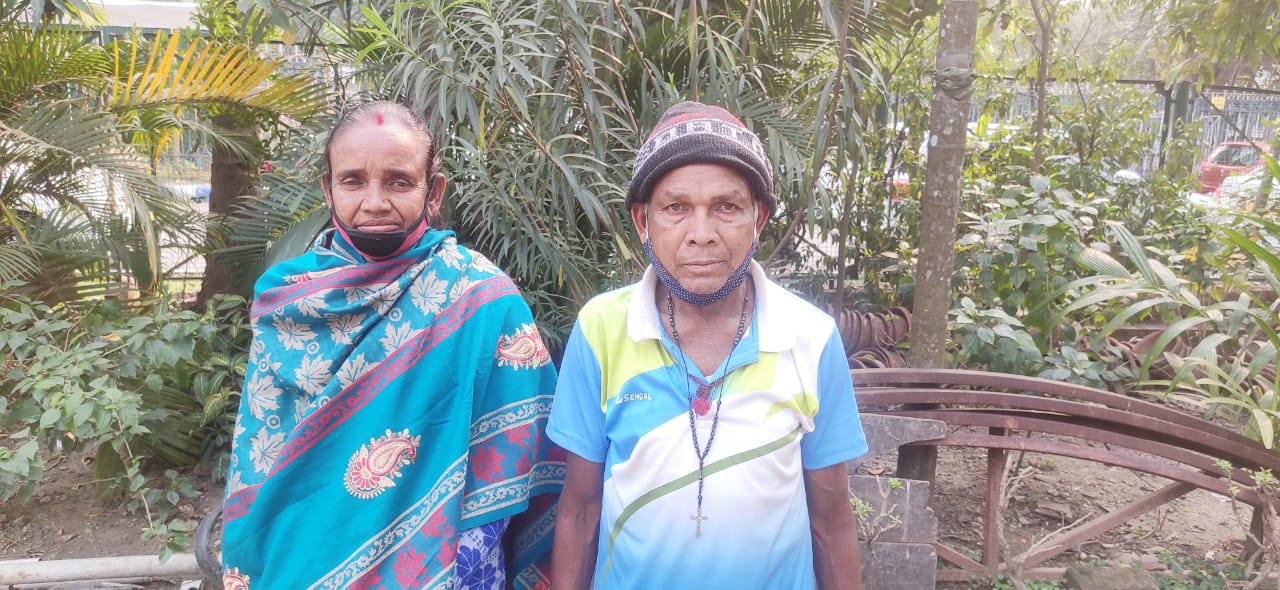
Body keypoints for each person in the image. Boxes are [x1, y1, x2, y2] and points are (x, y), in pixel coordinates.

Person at [221, 101, 561, 590]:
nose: (375, 201)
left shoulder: (481, 297)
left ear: (433, 189)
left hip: (447, 566)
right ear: (328, 187)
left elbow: (530, 446)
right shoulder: (287, 303)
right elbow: (260, 454)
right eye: (353, 180)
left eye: (399, 181)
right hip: (302, 557)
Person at [547, 101, 869, 589]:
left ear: (758, 218)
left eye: (727, 208)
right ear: (642, 220)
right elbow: (579, 509)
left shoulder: (810, 337)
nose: (701, 235)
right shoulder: (601, 330)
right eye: (676, 208)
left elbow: (830, 520)